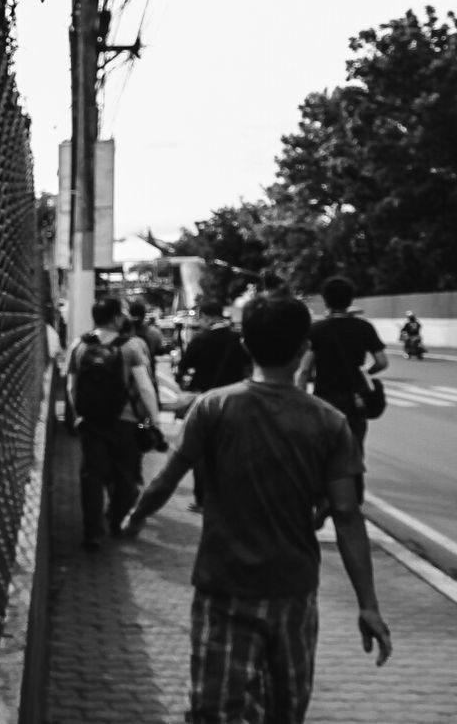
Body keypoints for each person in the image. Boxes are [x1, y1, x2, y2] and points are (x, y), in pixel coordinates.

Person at [122, 294, 392, 722]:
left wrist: (134, 518)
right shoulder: (328, 422)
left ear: (246, 345)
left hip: (223, 586)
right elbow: (346, 515)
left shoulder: (214, 406)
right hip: (293, 590)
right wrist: (368, 605)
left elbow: (165, 480)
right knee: (286, 708)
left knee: (214, 709)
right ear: (305, 348)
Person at [66, 298, 162, 550]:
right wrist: (153, 420)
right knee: (125, 475)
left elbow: (71, 385)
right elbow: (144, 387)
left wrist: (78, 414)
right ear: (116, 318)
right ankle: (118, 522)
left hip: (91, 422)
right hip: (125, 422)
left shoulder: (79, 345)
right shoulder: (130, 346)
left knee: (91, 477)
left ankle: (92, 533)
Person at [295, 276, 387, 502]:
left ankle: (325, 497)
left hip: (325, 400)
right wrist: (364, 372)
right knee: (355, 448)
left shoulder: (316, 330)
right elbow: (382, 361)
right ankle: (354, 498)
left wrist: (298, 398)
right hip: (356, 400)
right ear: (351, 299)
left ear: (325, 301)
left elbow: (305, 369)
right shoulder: (364, 328)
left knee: (323, 450)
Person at [175, 301, 252, 512]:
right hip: (236, 401)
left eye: (200, 318)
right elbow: (249, 367)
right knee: (231, 450)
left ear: (207, 317)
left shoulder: (200, 340)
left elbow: (183, 369)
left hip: (206, 402)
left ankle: (203, 499)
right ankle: (228, 496)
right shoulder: (239, 339)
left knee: (203, 452)